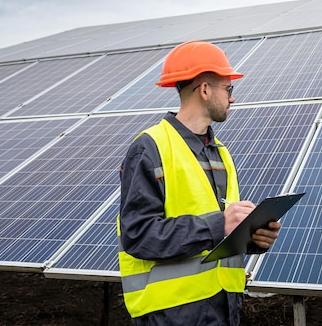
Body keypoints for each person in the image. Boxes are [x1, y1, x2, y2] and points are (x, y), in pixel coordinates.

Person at [117, 40, 281, 326]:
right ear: (205, 90)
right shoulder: (151, 147)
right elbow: (138, 235)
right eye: (228, 89)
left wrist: (253, 238)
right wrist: (220, 224)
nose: (232, 98)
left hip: (224, 307)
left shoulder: (221, 153)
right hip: (172, 313)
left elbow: (222, 232)